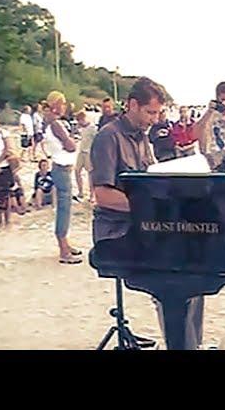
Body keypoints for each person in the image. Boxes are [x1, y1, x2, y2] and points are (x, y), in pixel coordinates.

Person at [90, 76, 204, 350]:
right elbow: (102, 195)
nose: (154, 119)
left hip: (144, 226)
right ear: (132, 105)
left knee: (199, 269)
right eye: (150, 112)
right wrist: (147, 208)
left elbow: (151, 178)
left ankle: (191, 344)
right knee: (176, 276)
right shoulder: (108, 137)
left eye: (158, 113)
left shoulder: (143, 137)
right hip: (116, 231)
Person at [45, 90, 81, 264]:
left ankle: (65, 243)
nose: (65, 106)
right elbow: (71, 145)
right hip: (62, 167)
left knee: (64, 208)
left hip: (60, 166)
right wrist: (71, 141)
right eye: (63, 103)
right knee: (64, 209)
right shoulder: (56, 124)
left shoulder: (51, 122)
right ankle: (63, 249)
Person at [74, 110, 97, 203]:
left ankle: (92, 194)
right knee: (77, 170)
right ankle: (80, 192)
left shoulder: (92, 128)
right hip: (81, 151)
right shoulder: (81, 128)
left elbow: (96, 140)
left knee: (90, 174)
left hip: (89, 152)